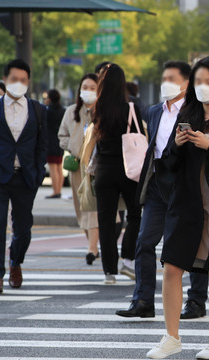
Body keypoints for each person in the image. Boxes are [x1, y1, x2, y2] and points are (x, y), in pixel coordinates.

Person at [146, 56, 209, 360]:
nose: (203, 87)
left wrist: (208, 145)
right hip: (186, 203)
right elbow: (170, 164)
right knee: (172, 266)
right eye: (198, 81)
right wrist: (176, 143)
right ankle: (171, 336)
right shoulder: (187, 113)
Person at [115, 61, 209, 320]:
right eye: (163, 77)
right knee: (145, 241)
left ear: (186, 83)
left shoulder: (197, 111)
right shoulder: (155, 110)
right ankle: (143, 300)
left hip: (186, 186)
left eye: (171, 78)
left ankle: (196, 301)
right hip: (157, 185)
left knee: (189, 246)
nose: (165, 82)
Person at [0, 59, 47, 294]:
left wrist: (38, 173)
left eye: (23, 80)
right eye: (14, 79)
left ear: (28, 82)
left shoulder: (38, 109)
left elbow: (42, 145)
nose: (19, 84)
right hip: (0, 176)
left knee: (24, 229)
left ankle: (15, 261)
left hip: (26, 177)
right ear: (5, 79)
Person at [92, 63, 143, 284]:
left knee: (105, 219)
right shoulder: (131, 106)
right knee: (134, 214)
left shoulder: (97, 108)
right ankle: (128, 260)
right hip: (128, 168)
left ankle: (109, 272)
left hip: (104, 169)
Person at [58, 73, 100, 264]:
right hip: (77, 167)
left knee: (93, 208)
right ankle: (93, 245)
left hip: (97, 166)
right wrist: (72, 146)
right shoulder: (71, 111)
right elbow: (62, 136)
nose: (88, 91)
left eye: (93, 88)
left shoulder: (103, 112)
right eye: (85, 87)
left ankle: (92, 248)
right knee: (81, 208)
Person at [44, 89, 65, 199]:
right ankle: (59, 190)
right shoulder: (63, 110)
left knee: (53, 168)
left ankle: (55, 191)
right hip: (60, 142)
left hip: (50, 142)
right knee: (59, 168)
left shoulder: (47, 111)